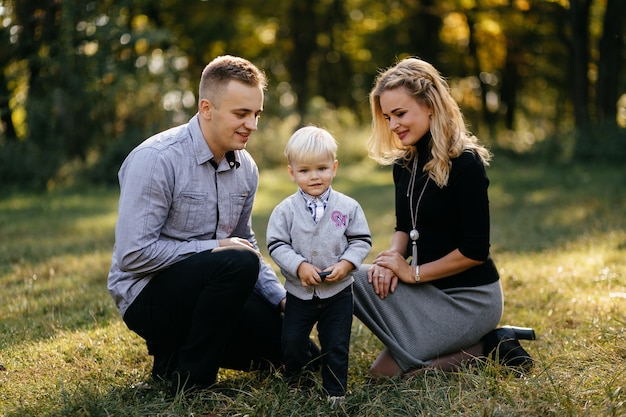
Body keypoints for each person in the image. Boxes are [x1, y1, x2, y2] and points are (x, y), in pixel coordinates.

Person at [107, 55, 313, 396]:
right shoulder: (157, 159)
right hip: (148, 297)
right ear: (207, 108)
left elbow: (245, 241)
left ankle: (173, 357)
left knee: (302, 356)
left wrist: (280, 299)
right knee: (235, 261)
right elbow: (133, 255)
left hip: (216, 290)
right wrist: (215, 247)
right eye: (241, 114)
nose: (252, 124)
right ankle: (193, 383)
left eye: (256, 114)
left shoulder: (245, 167)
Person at [352, 57, 535, 378]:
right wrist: (391, 259)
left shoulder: (466, 163)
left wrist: (412, 274)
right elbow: (404, 227)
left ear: (430, 106)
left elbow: (475, 251)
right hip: (427, 291)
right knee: (355, 280)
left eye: (400, 114)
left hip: (470, 299)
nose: (393, 125)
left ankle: (490, 344)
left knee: (395, 375)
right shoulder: (403, 164)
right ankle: (480, 346)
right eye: (387, 117)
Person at [266, 126, 372, 402]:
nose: (314, 176)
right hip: (299, 294)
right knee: (292, 342)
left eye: (322, 168)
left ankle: (335, 391)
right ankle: (296, 382)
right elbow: (277, 245)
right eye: (304, 170)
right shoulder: (285, 211)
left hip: (338, 294)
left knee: (336, 343)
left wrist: (347, 264)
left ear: (334, 168)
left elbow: (361, 240)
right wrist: (299, 266)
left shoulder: (348, 207)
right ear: (292, 172)